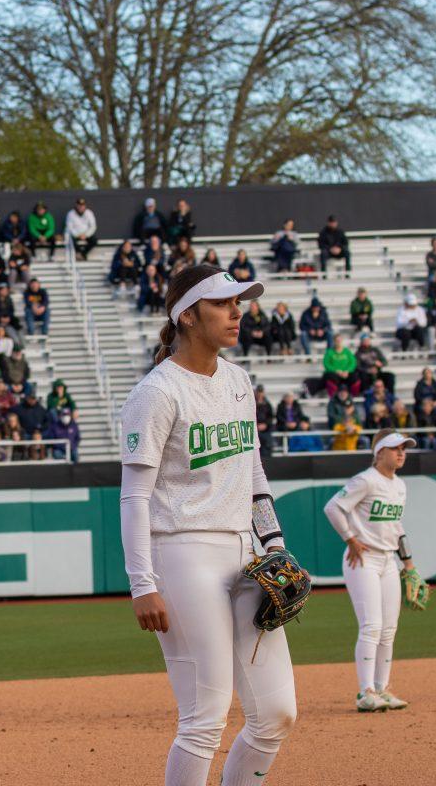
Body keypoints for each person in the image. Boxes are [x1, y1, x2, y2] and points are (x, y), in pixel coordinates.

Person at [119, 263, 301, 786]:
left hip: (245, 555)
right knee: (205, 717)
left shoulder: (239, 381)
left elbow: (254, 473)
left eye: (238, 301)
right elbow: (134, 496)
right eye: (222, 303)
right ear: (188, 316)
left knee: (276, 713)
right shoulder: (157, 392)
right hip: (181, 554)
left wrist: (276, 544)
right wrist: (142, 584)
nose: (237, 311)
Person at [323, 430, 424, 711]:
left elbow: (397, 528)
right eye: (395, 448)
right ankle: (365, 692)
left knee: (389, 629)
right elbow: (333, 507)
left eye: (404, 448)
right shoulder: (366, 480)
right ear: (379, 452)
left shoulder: (400, 486)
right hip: (362, 559)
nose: (401, 452)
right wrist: (350, 539)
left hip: (388, 560)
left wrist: (409, 565)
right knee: (372, 625)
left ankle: (382, 689)